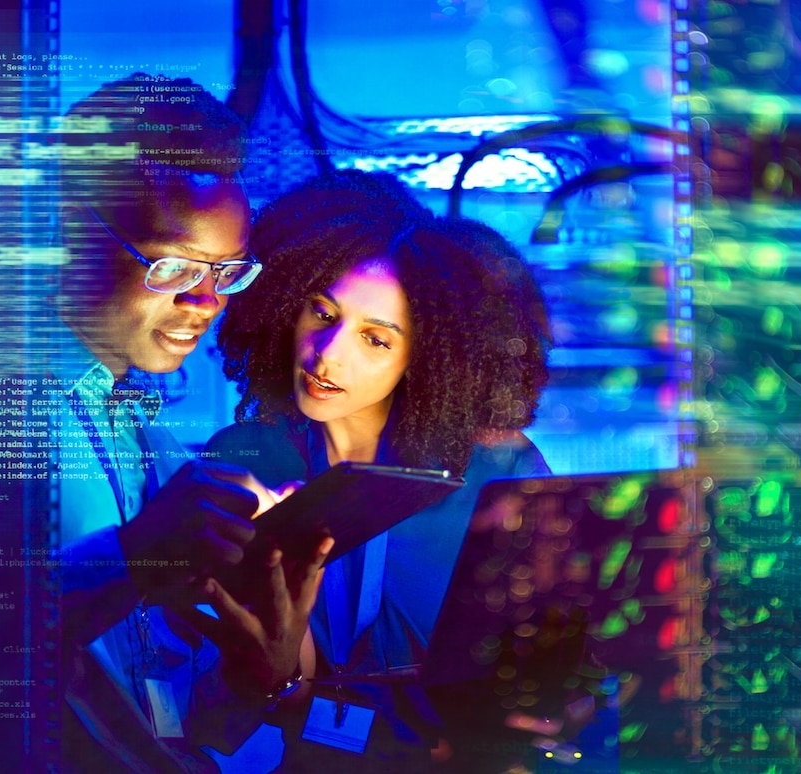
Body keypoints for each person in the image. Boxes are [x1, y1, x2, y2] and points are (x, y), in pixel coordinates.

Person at [0, 74, 328, 773]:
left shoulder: (150, 445)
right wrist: (128, 559)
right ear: (63, 233)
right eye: (172, 266)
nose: (205, 302)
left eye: (226, 273)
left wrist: (257, 675)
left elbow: (153, 715)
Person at [200, 170, 568, 770]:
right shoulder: (244, 459)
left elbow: (558, 674)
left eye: (376, 340)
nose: (329, 354)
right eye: (322, 312)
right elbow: (221, 696)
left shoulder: (499, 472)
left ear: (427, 355)